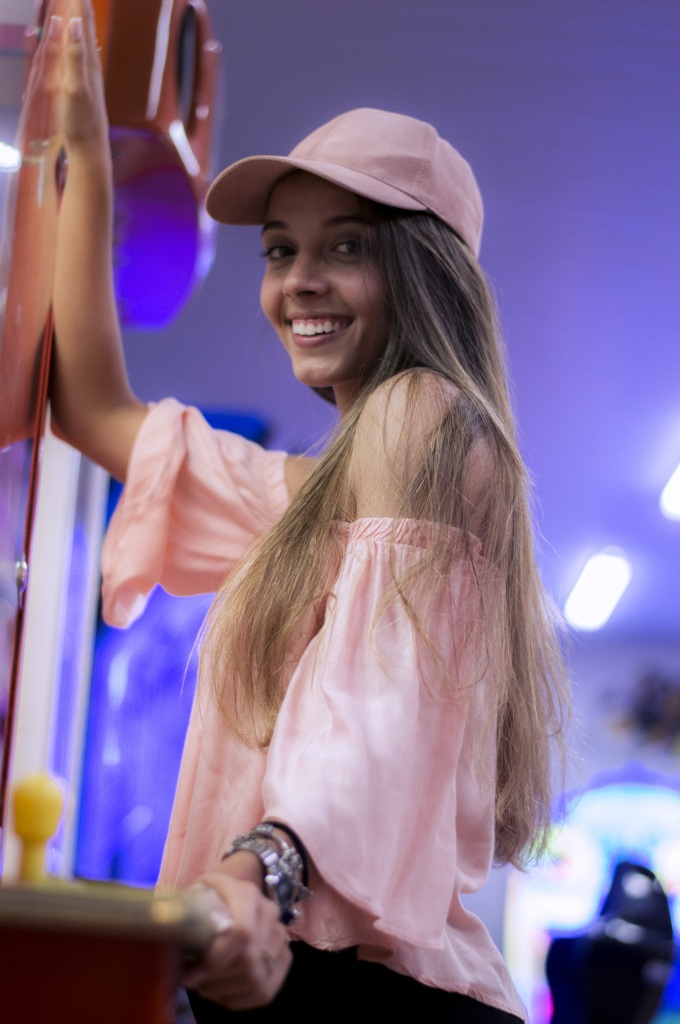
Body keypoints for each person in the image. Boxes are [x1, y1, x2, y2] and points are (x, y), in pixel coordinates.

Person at [43, 1, 569, 1019]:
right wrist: (85, 156)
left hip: (349, 979)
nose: (300, 283)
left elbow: (378, 718)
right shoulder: (299, 505)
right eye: (279, 250)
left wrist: (261, 870)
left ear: (421, 271)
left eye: (346, 247)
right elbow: (91, 406)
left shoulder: (424, 415)